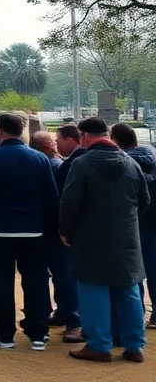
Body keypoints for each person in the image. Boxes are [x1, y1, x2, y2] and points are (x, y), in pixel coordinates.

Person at [61, 117, 150, 363]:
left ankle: (99, 344)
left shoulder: (82, 164)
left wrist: (65, 230)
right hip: (126, 236)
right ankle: (134, 345)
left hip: (90, 237)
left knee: (93, 289)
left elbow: (69, 202)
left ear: (85, 137)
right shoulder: (131, 163)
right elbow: (144, 201)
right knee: (128, 288)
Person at [0, 111, 59, 350]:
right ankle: (38, 333)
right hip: (33, 229)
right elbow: (52, 197)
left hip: (1, 229)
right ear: (23, 132)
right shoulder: (39, 159)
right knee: (36, 280)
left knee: (3, 282)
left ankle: (5, 334)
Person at [110, 123, 156, 331]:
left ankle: (134, 317)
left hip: (136, 224)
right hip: (152, 222)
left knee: (133, 275)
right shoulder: (151, 158)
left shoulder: (123, 165)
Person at [47, 123, 85, 343]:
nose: (57, 144)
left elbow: (67, 199)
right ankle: (65, 311)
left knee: (66, 274)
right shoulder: (70, 162)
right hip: (63, 228)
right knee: (61, 274)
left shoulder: (74, 164)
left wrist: (65, 228)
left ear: (72, 139)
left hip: (67, 230)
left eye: (59, 139)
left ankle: (75, 320)